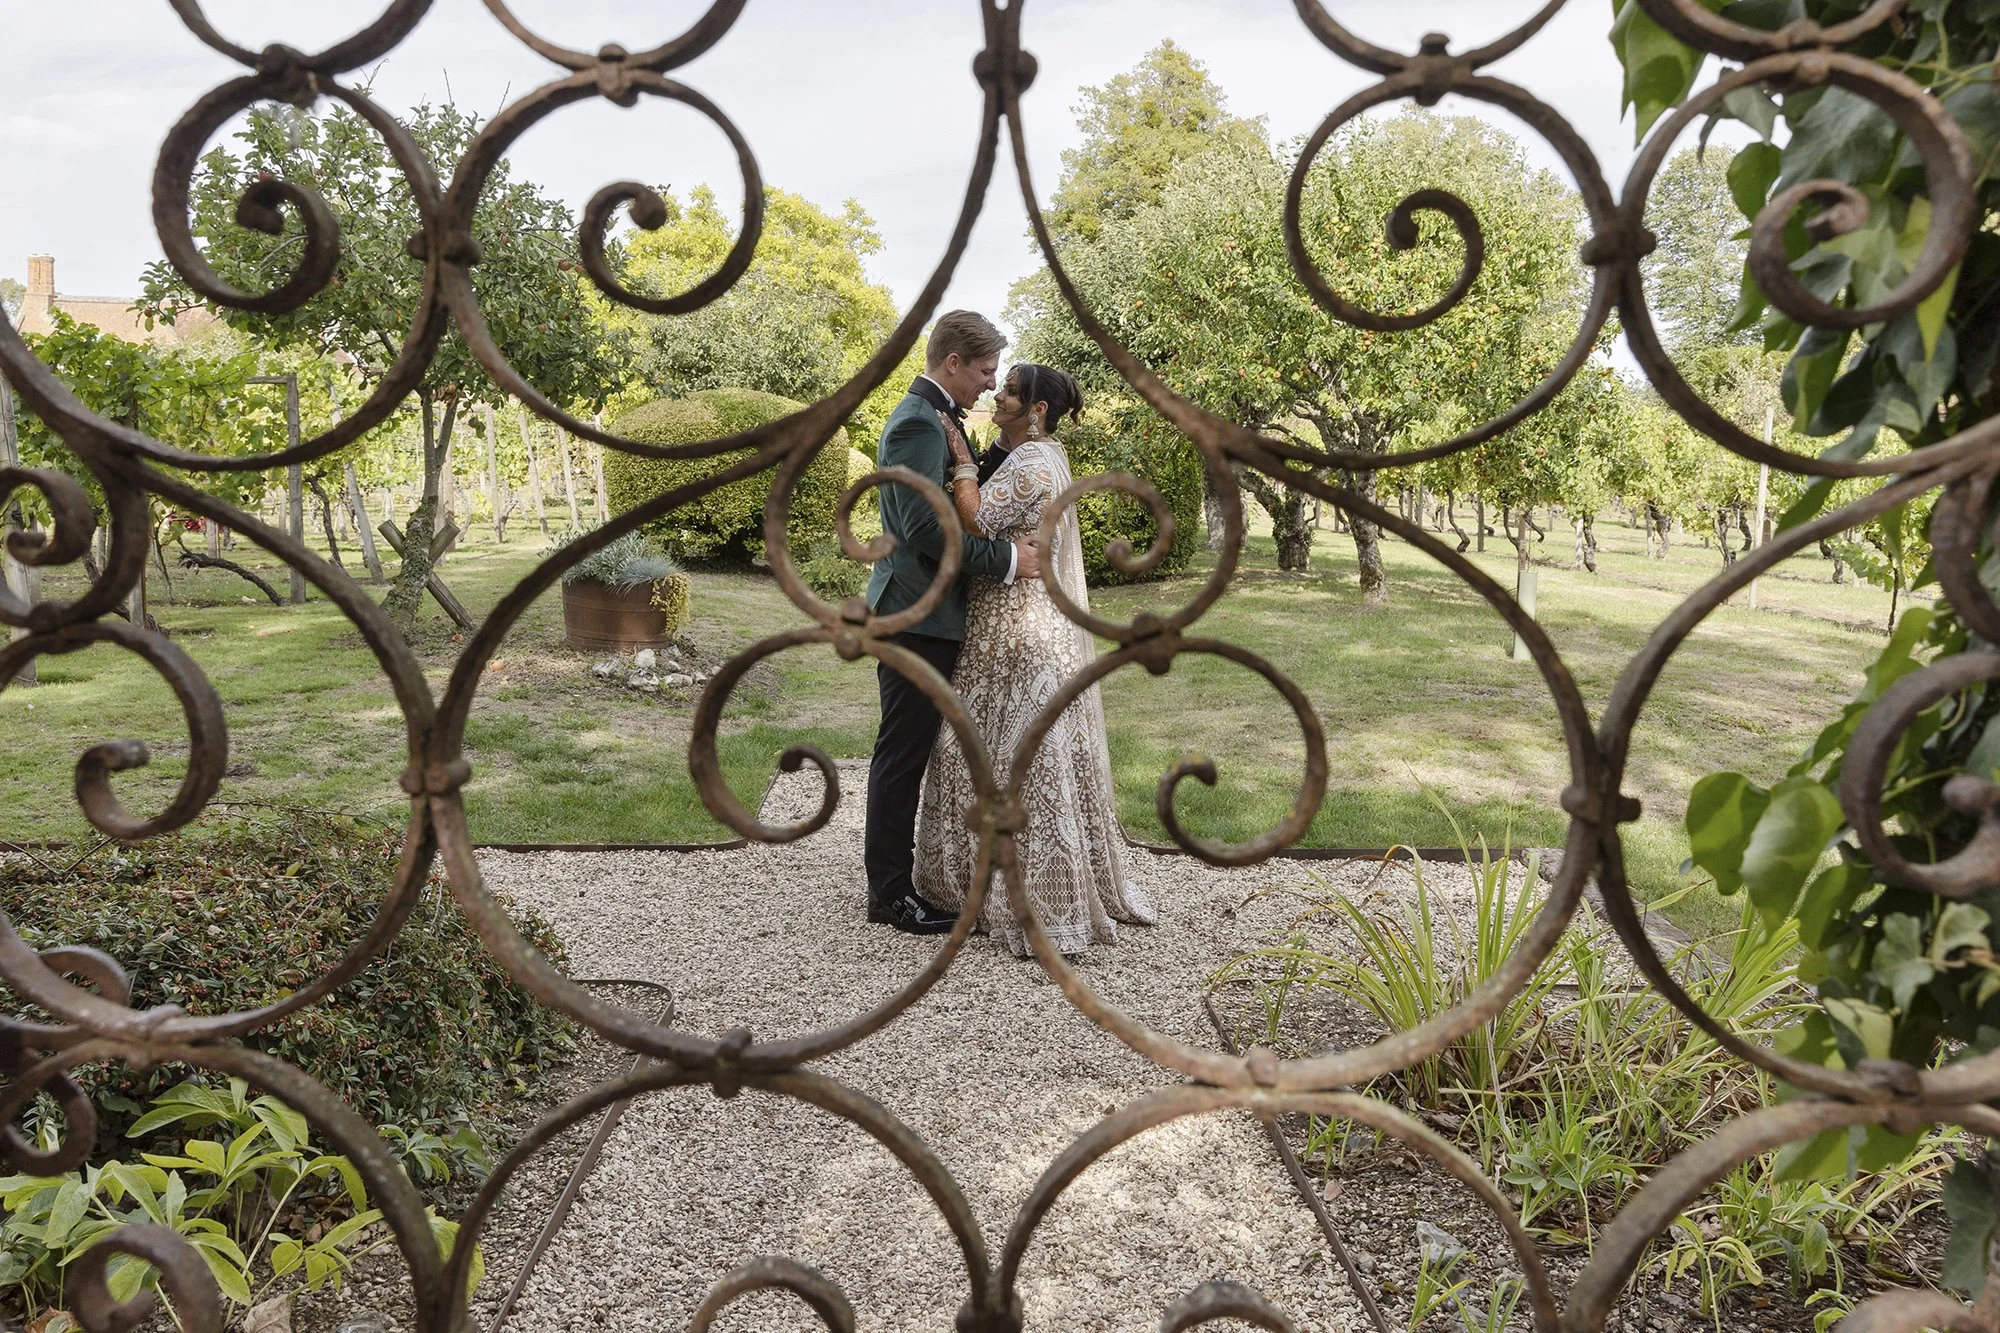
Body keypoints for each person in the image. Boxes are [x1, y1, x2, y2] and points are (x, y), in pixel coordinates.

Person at [913, 363, 1155, 956]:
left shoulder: (1034, 465)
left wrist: (962, 461)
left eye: (1011, 391)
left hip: (1015, 631)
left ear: (1037, 408)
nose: (997, 393)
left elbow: (977, 519)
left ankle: (1033, 900)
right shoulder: (1043, 455)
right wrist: (986, 446)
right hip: (1011, 622)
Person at [863, 312, 1042, 935]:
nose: (991, 386)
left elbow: (956, 494)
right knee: (902, 754)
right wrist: (1011, 559)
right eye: (987, 371)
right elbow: (925, 529)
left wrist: (995, 456)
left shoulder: (937, 418)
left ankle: (897, 885)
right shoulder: (916, 421)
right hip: (913, 614)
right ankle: (888, 895)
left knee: (909, 749)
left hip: (926, 613)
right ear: (954, 363)